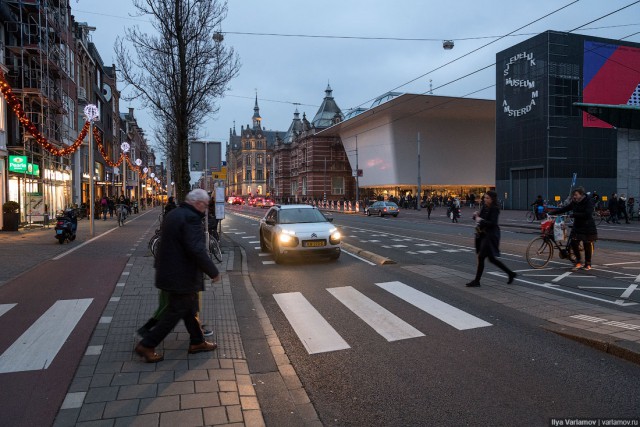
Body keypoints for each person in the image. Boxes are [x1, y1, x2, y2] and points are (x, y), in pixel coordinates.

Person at [134, 189, 220, 363]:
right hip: (182, 275)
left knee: (190, 308)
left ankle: (197, 342)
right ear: (198, 204)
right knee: (175, 313)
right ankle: (147, 344)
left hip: (170, 271)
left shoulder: (175, 213)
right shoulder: (191, 218)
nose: (206, 209)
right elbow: (196, 248)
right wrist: (213, 271)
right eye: (205, 206)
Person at [466, 190, 516, 287]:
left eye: (487, 198)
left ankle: (477, 281)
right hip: (484, 234)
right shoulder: (485, 206)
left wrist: (481, 220)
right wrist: (476, 215)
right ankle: (511, 273)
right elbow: (480, 219)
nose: (485, 199)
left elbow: (493, 223)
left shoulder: (495, 209)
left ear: (492, 199)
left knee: (481, 257)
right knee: (491, 259)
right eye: (485, 197)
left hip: (491, 235)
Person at [550, 186, 597, 270]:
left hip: (587, 226)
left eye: (575, 195)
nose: (574, 196)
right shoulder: (575, 202)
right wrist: (553, 212)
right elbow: (565, 208)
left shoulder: (588, 201)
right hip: (578, 225)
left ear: (581, 195)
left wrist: (573, 215)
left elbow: (587, 214)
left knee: (586, 244)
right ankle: (578, 261)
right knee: (573, 243)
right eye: (573, 195)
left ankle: (588, 264)